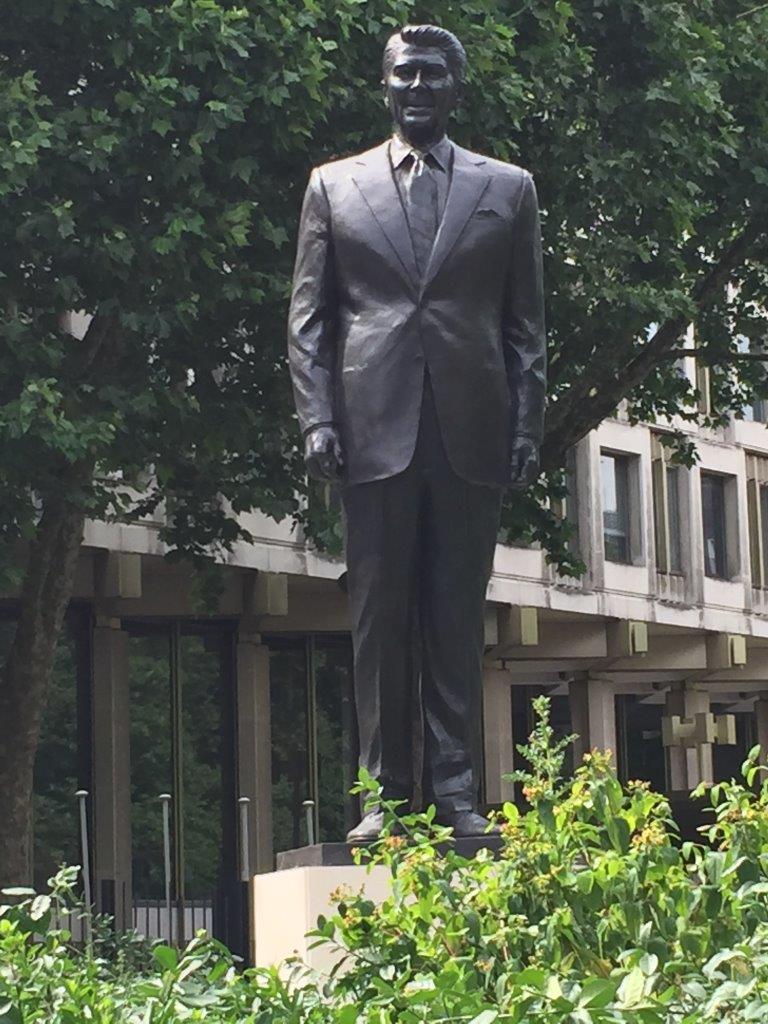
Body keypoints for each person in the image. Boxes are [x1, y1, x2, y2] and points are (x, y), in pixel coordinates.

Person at [288, 24, 546, 840]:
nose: (419, 87)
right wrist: (318, 418)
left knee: (453, 616)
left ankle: (459, 791)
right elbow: (309, 320)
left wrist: (526, 427)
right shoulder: (333, 186)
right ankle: (383, 796)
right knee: (378, 618)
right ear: (386, 86)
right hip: (370, 428)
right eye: (405, 74)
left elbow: (525, 326)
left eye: (434, 75)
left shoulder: (508, 188)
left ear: (455, 87)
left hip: (470, 430)